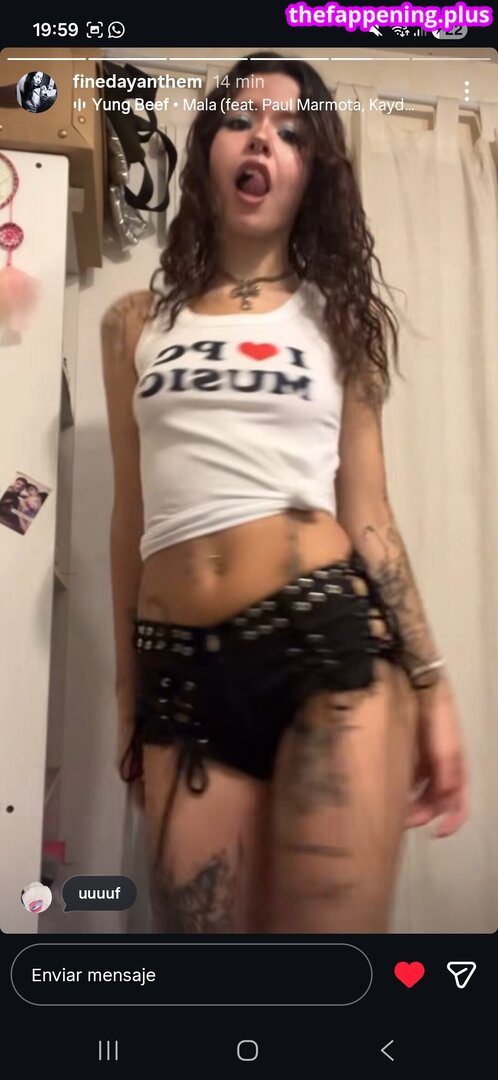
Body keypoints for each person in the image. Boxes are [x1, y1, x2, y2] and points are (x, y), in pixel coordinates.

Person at [101, 53, 468, 935]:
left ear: (312, 174)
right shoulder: (135, 323)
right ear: (210, 149)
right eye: (241, 120)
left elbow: (369, 516)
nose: (262, 137)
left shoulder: (338, 324)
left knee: (320, 977)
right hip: (181, 674)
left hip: (326, 646)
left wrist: (433, 684)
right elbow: (129, 520)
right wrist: (128, 695)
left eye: (291, 132)